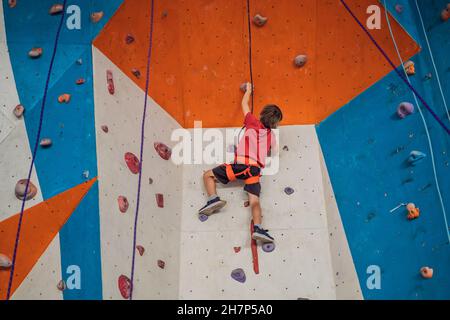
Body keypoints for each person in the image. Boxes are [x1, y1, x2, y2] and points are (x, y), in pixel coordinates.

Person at [198, 83, 282, 242]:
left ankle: (213, 199)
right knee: (255, 201)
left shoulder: (251, 121)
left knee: (207, 175)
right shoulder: (272, 136)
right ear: (274, 124)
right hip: (254, 171)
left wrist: (248, 90)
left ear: (262, 114)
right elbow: (276, 151)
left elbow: (244, 104)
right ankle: (258, 228)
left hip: (240, 165)